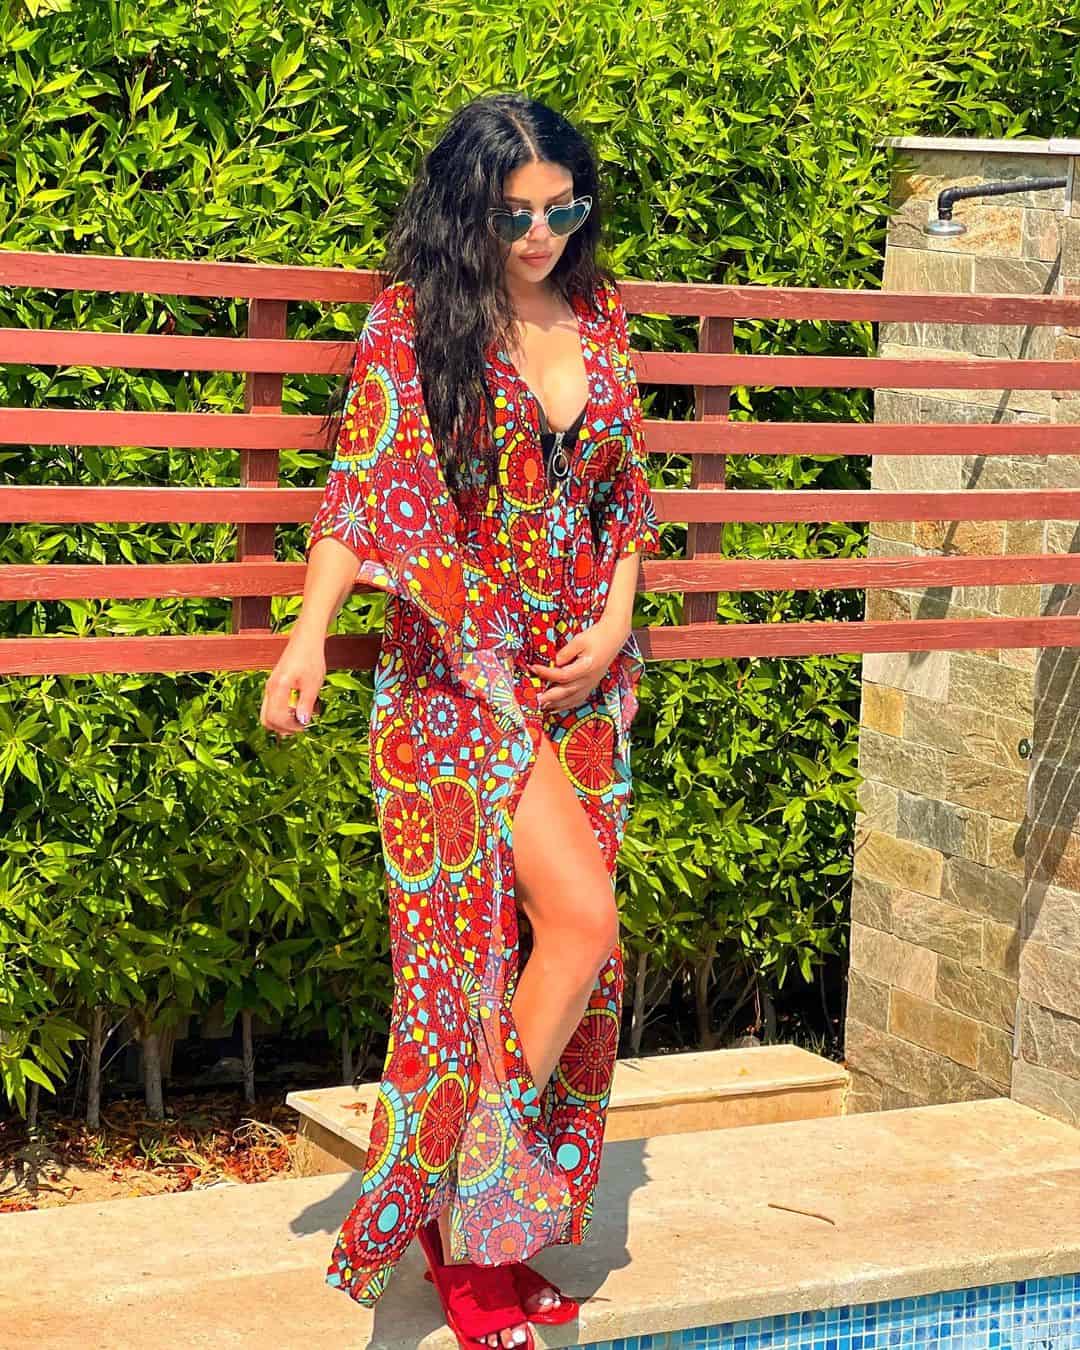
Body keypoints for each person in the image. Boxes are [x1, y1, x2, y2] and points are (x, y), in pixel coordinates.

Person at [260, 92, 661, 1350]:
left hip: (575, 683)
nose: (540, 235)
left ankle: (475, 1210)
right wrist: (309, 635)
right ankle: (463, 1220)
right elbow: (360, 492)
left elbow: (627, 504)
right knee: (556, 931)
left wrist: (613, 626)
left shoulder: (598, 314)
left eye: (563, 210)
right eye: (514, 213)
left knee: (568, 959)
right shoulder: (414, 320)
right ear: (465, 208)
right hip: (456, 680)